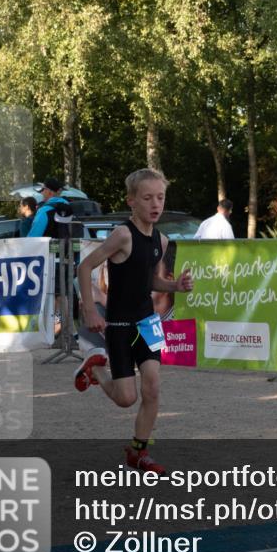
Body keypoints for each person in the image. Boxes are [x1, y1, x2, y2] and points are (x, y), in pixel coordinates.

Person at [76, 169, 194, 473]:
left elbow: (152, 282)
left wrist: (175, 286)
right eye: (147, 198)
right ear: (132, 201)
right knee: (126, 398)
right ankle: (97, 370)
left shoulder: (162, 240)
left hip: (147, 323)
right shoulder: (122, 234)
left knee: (153, 387)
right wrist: (90, 310)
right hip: (119, 324)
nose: (155, 204)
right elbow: (85, 265)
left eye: (160, 197)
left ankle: (139, 452)